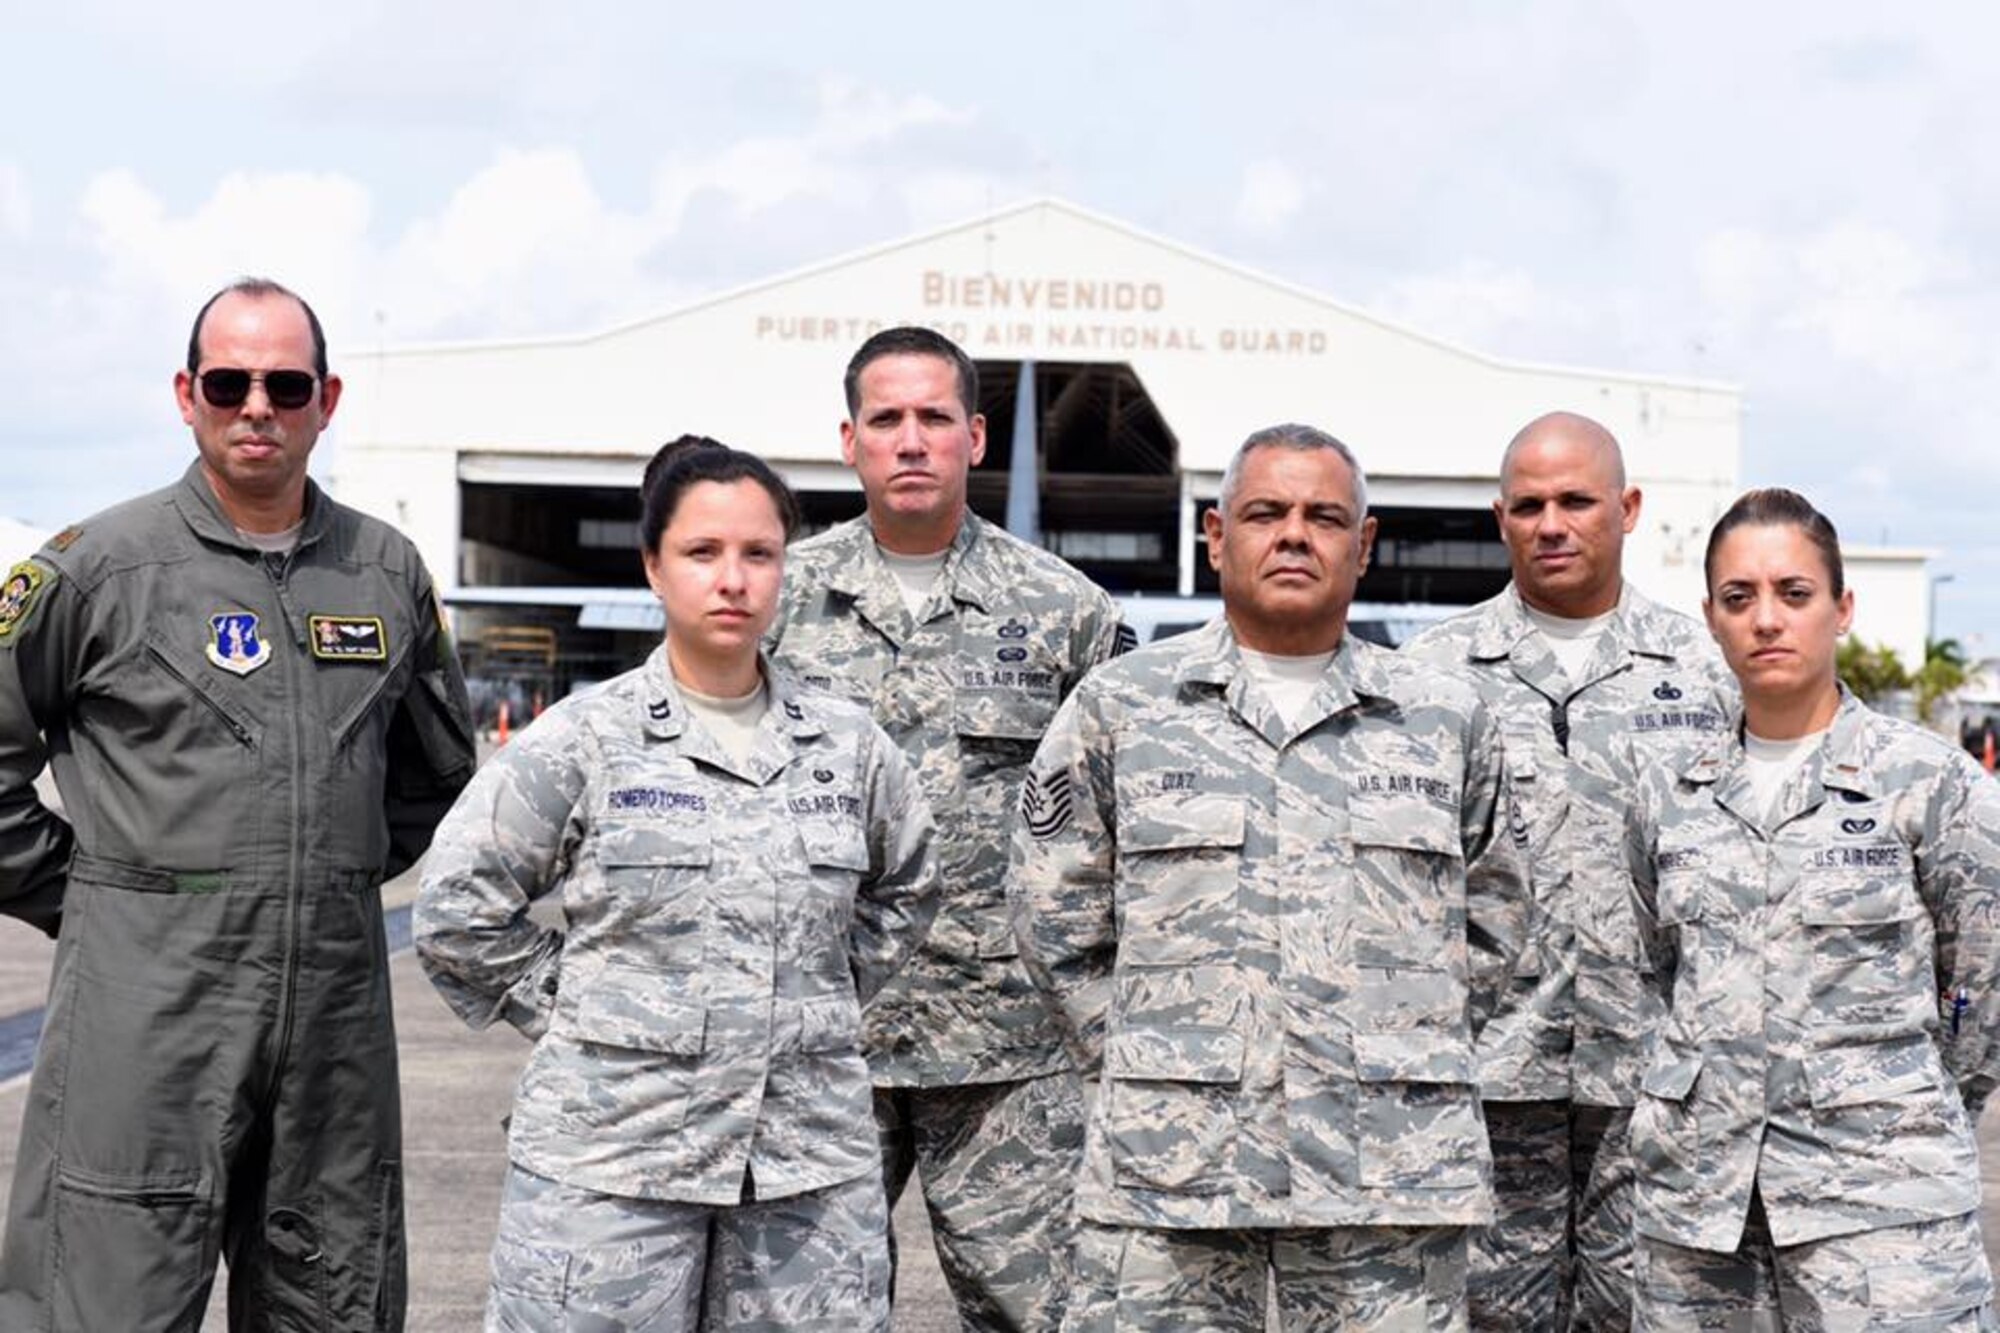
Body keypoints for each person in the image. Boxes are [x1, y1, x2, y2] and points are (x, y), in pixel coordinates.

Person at [0, 277, 476, 1329]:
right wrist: (86, 896)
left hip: (334, 1022)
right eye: (229, 381)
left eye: (283, 382)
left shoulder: (385, 572)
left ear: (325, 397)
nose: (255, 404)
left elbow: (438, 770)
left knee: (333, 1293)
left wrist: (326, 872)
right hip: (146, 1008)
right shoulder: (99, 572)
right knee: (106, 1294)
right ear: (186, 393)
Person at [1010, 424, 1527, 1329]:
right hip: (1173, 1168)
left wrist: (1395, 1050)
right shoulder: (1121, 709)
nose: (1295, 534)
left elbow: (1497, 919)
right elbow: (1055, 913)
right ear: (1216, 536)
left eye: (1325, 516)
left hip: (1390, 1169)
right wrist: (1156, 1056)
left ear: (1363, 546)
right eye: (1266, 512)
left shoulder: (1446, 720)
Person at [416, 438, 940, 1330]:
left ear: (786, 570)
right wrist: (582, 1008)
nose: (731, 579)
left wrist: (804, 1001)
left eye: (758, 553)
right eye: (703, 553)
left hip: (803, 1169)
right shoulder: (585, 738)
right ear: (655, 566)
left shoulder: (850, 750)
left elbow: (909, 886)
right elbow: (458, 908)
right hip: (611, 1162)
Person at [766, 326, 1127, 1329]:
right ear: (849, 440)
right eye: (887, 419)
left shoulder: (1065, 612)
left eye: (933, 417)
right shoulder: (776, 604)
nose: (910, 439)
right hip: (822, 1040)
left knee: (1042, 1311)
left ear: (973, 436)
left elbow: (1113, 826)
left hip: (1007, 1049)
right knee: (805, 1311)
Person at [1624, 489, 2000, 1327]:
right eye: (1739, 597)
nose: (1766, 619)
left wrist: (1896, 1098)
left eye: (1794, 594)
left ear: (1843, 609)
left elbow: (1982, 986)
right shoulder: (1668, 793)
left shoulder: (1930, 785)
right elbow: (1660, 974)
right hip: (1700, 1210)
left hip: (1880, 1209)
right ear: (1711, 620)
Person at [1403, 411, 1730, 1330]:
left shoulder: (1710, 671)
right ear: (1499, 517)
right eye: (1531, 504)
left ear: (1626, 509)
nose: (1554, 522)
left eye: (1577, 500)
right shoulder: (1428, 679)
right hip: (1487, 1083)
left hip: (1661, 1087)